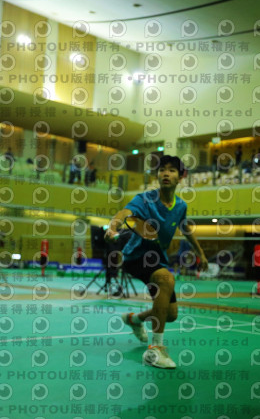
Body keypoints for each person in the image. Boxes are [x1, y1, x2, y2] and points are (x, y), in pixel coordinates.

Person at [104, 155, 208, 369]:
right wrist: (113, 227)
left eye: (171, 170)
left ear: (180, 177)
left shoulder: (180, 206)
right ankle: (156, 350)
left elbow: (186, 228)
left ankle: (134, 319)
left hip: (157, 258)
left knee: (170, 314)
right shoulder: (145, 199)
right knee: (166, 278)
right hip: (135, 256)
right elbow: (124, 213)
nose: (165, 174)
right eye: (162, 170)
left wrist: (201, 253)